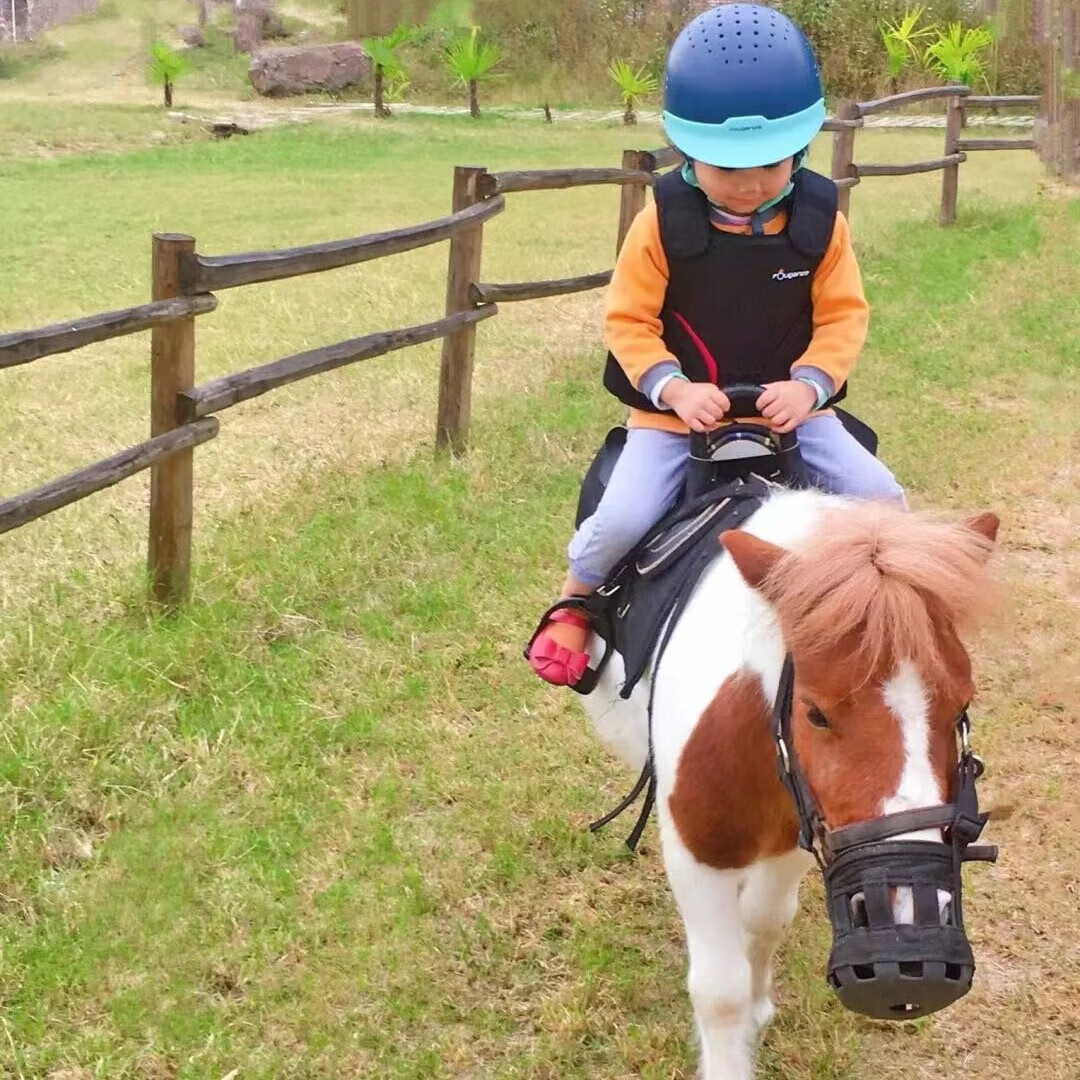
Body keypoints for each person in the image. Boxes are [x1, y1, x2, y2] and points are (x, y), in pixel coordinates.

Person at [528, 3, 904, 688]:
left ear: (801, 148)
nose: (750, 183)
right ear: (687, 150)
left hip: (795, 412)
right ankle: (575, 603)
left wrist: (810, 386)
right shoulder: (660, 224)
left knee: (883, 497)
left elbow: (843, 317)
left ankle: (898, 617)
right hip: (674, 419)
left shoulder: (822, 224)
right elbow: (629, 320)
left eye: (770, 164)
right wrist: (672, 388)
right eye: (727, 168)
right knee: (622, 519)